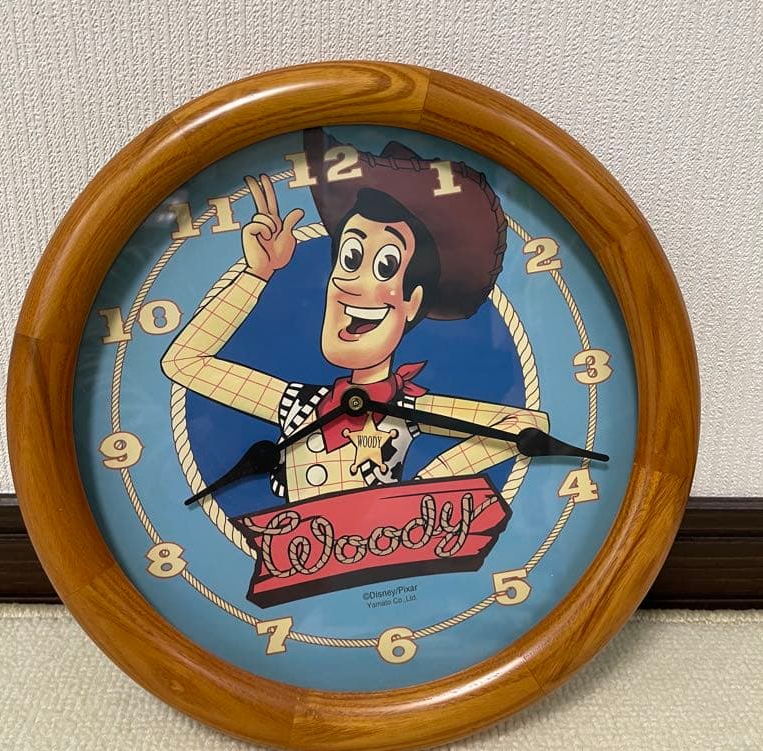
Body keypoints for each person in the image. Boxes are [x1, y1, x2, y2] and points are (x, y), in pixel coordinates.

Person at [161, 129, 548, 503]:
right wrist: (256, 275)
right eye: (350, 259)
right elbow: (183, 363)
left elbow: (526, 424)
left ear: (413, 301)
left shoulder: (408, 409)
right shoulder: (298, 404)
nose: (354, 286)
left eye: (385, 266)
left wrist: (421, 487)